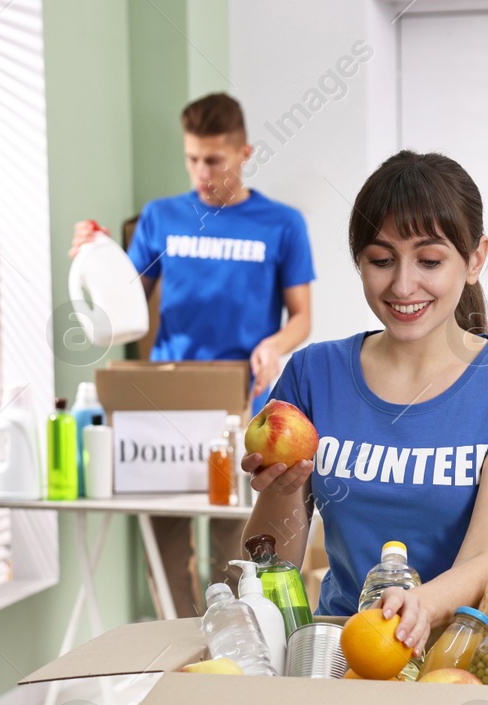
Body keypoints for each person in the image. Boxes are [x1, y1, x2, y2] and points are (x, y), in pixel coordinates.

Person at [242, 150, 488, 653]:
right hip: (347, 648)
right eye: (381, 260)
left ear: (475, 259)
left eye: (430, 261)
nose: (402, 285)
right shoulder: (313, 373)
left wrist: (418, 607)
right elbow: (271, 565)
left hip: (467, 650)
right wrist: (283, 490)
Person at [71, 93, 315, 618]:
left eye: (213, 160)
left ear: (244, 151)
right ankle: (181, 651)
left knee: (234, 546)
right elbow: (123, 297)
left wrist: (273, 345)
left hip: (238, 404)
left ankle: (229, 643)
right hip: (166, 400)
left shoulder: (282, 224)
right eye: (191, 159)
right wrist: (94, 255)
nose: (201, 172)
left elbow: (302, 317)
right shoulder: (162, 218)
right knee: (164, 544)